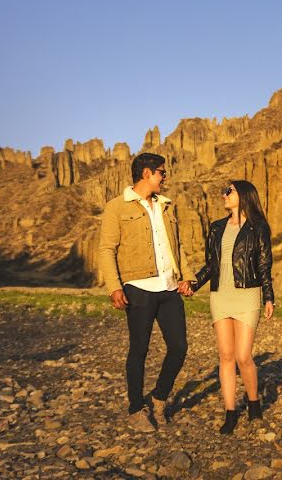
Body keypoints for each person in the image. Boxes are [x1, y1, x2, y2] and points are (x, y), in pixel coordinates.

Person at [97, 152, 195, 432]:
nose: (165, 178)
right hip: (138, 288)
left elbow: (178, 248)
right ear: (146, 174)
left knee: (179, 347)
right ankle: (135, 409)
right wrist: (114, 286)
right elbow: (107, 249)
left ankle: (159, 398)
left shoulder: (166, 207)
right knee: (139, 350)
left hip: (169, 287)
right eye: (162, 173)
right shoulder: (116, 207)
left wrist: (186, 277)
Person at [190, 180, 275, 435]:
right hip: (220, 295)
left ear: (244, 195)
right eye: (223, 191)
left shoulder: (258, 227)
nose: (224, 195)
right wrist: (194, 284)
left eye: (229, 191)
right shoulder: (216, 228)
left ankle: (253, 402)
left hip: (247, 295)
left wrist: (268, 296)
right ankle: (230, 411)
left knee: (242, 356)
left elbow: (264, 265)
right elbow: (210, 265)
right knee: (225, 357)